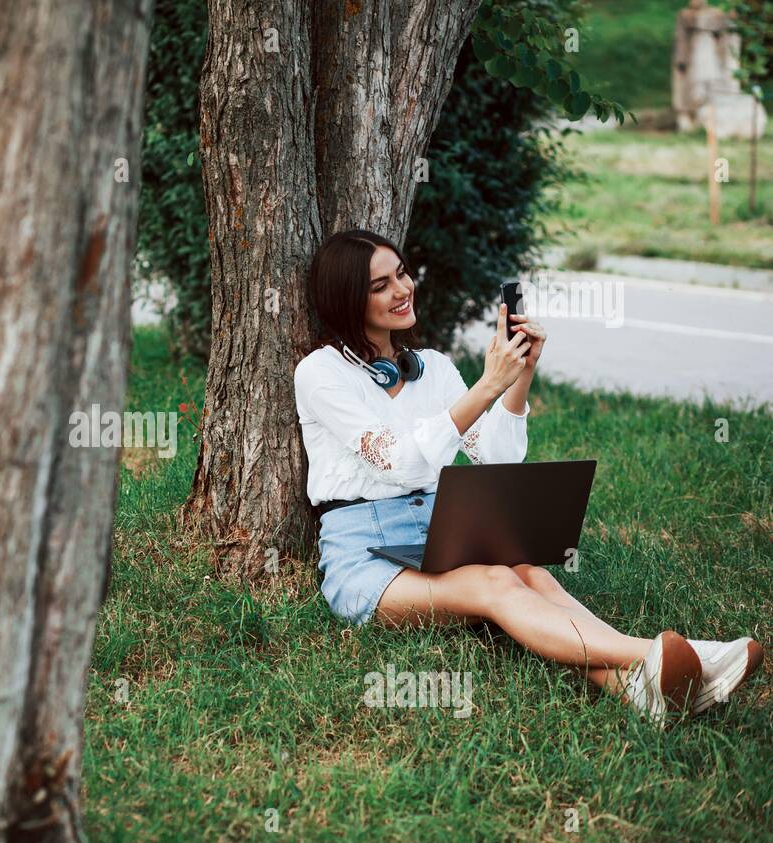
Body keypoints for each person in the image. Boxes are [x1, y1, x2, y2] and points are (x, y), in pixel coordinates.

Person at [294, 229, 763, 724]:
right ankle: (675, 654)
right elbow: (400, 462)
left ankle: (640, 691)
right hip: (365, 556)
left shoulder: (431, 368)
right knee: (495, 582)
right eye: (380, 285)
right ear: (348, 297)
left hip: (441, 531)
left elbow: (496, 460)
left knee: (529, 573)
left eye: (403, 274)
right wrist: (485, 386)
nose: (402, 289)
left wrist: (518, 380)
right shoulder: (321, 373)